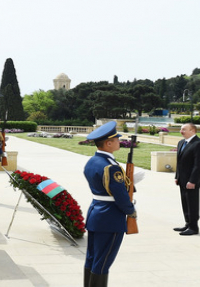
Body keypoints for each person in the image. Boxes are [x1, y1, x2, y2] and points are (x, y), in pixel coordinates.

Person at [83, 121, 137, 287]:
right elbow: (120, 197)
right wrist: (131, 211)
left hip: (96, 214)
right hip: (110, 218)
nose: (119, 142)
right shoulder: (111, 167)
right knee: (103, 261)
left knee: (92, 258)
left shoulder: (92, 161)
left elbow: (106, 187)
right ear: (108, 143)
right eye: (116, 139)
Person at [174, 122, 200, 236]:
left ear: (192, 130)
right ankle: (187, 223)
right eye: (181, 129)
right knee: (185, 202)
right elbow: (179, 162)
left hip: (192, 181)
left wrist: (192, 181)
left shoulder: (199, 144)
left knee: (192, 203)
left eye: (184, 129)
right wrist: (177, 177)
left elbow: (199, 165)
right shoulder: (181, 143)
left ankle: (194, 227)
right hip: (182, 179)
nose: (181, 131)